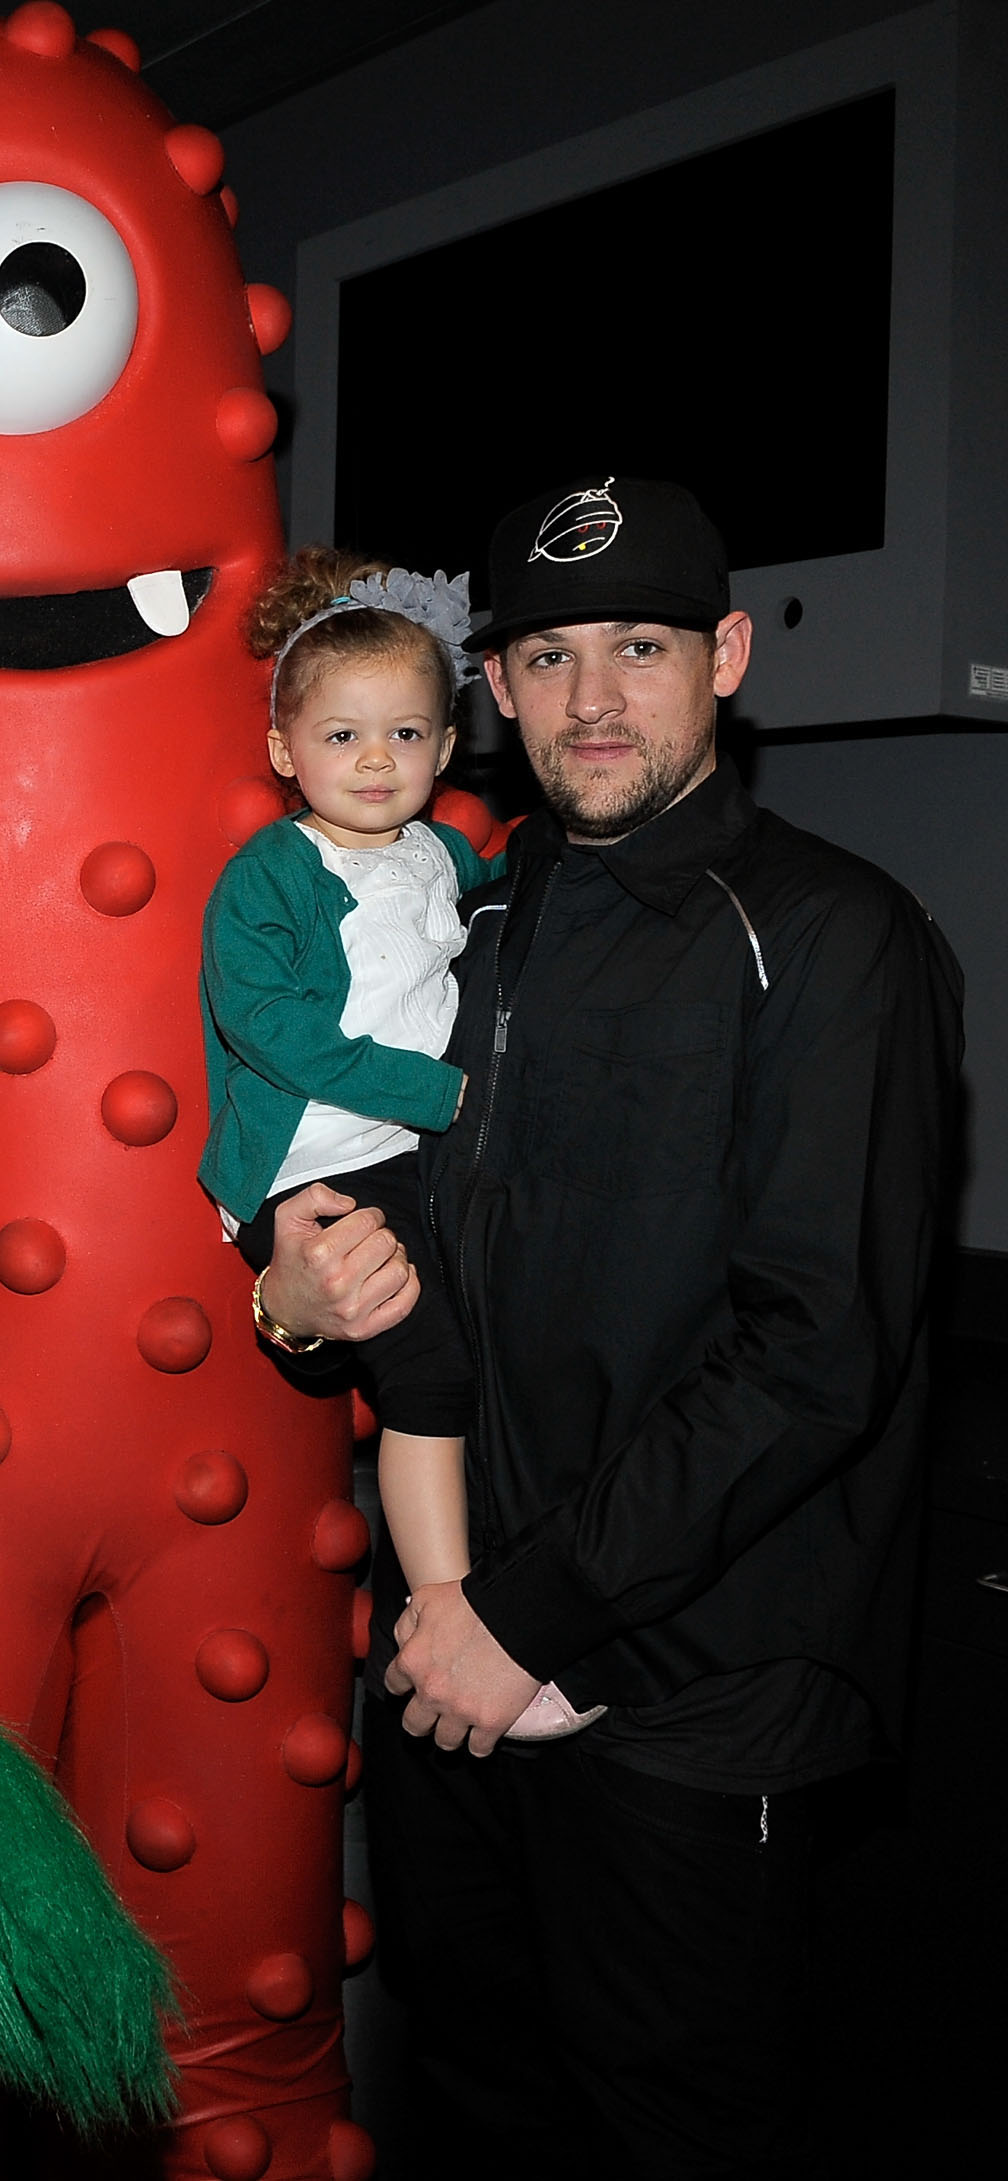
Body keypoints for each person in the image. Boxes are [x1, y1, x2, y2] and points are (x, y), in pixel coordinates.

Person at [253, 478, 963, 2176]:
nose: (591, 698)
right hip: (455, 1659)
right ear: (493, 685)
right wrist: (294, 1300)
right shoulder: (465, 923)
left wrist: (529, 1618)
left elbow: (815, 1350)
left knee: (673, 2132)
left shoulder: (832, 934)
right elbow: (394, 1219)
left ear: (726, 657)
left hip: (687, 1695)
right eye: (549, 655)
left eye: (640, 647)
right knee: (475, 2097)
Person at [203, 550, 594, 1741]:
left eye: (407, 735)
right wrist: (439, 1091)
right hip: (315, 1163)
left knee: (492, 1344)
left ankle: (519, 1595)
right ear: (285, 750)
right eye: (343, 736)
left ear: (448, 745)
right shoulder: (271, 875)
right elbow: (272, 1031)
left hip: (416, 1146)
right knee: (428, 1371)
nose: (377, 762)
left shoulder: (435, 853)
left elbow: (499, 892)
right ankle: (445, 1624)